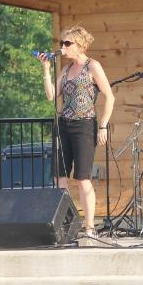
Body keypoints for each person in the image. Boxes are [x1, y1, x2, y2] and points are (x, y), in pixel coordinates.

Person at [39, 25, 114, 238]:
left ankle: (89, 227)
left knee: (82, 178)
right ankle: (64, 224)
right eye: (62, 43)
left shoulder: (92, 66)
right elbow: (52, 96)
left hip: (84, 125)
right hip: (64, 124)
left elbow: (110, 97)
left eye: (67, 43)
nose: (63, 47)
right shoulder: (64, 69)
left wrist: (103, 125)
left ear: (79, 45)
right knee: (60, 178)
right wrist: (45, 69)